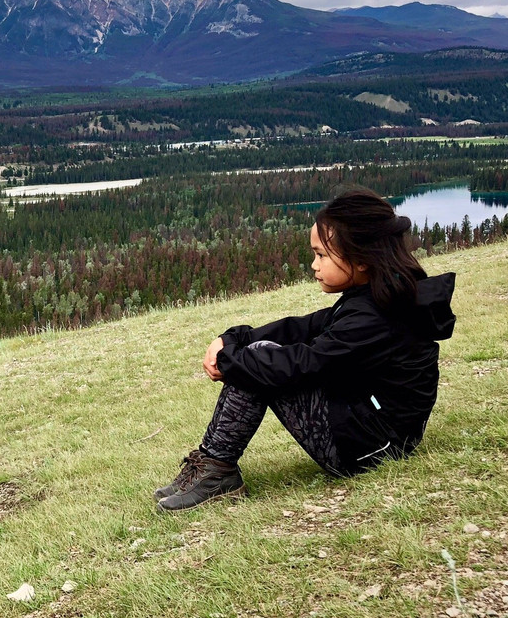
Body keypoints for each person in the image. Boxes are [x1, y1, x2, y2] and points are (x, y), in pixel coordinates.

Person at [155, 187, 456, 512]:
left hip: (375, 446)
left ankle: (217, 469)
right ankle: (212, 463)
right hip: (370, 424)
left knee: (259, 362)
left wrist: (232, 360)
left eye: (322, 255)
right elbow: (303, 327)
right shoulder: (376, 297)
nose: (314, 264)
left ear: (362, 260)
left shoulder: (377, 315)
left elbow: (304, 363)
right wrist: (233, 339)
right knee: (256, 355)